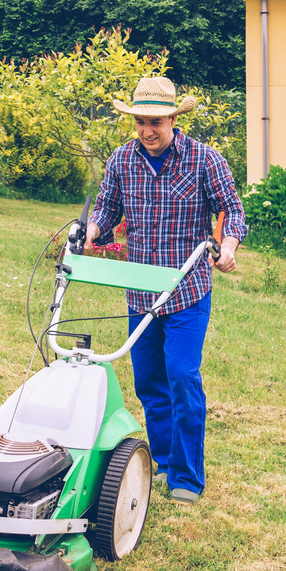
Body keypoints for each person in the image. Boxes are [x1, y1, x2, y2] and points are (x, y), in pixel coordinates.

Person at [85, 76, 247, 504]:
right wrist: (93, 229)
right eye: (140, 122)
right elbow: (107, 206)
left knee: (182, 378)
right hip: (141, 293)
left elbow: (231, 209)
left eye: (155, 122)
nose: (147, 131)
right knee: (150, 382)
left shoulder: (204, 160)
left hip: (186, 290)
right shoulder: (122, 160)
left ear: (173, 119)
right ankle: (164, 461)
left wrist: (228, 246)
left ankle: (187, 478)